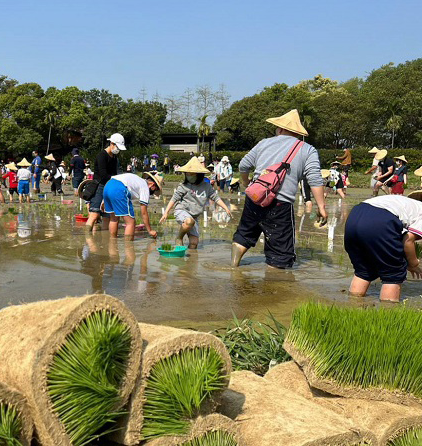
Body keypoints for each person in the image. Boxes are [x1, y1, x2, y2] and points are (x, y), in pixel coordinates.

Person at [232, 109, 327, 269]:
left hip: (254, 197)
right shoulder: (307, 149)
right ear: (296, 132)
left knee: (244, 234)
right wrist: (322, 206)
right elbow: (314, 179)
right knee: (280, 254)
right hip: (280, 204)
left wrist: (246, 182)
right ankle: (274, 287)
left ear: (280, 129)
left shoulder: (264, 143)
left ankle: (233, 267)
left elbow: (243, 165)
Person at [344, 191, 422, 302]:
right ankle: (388, 312)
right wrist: (413, 263)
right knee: (393, 273)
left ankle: (353, 305)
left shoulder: (407, 204)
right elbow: (408, 240)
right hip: (381, 220)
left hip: (355, 215)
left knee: (365, 269)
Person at [160, 158, 232, 249]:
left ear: (199, 175)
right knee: (189, 221)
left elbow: (216, 198)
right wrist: (166, 212)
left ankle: (190, 261)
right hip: (182, 210)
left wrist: (226, 208)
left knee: (194, 243)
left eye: (192, 174)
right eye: (187, 174)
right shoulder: (183, 186)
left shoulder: (206, 186)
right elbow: (174, 199)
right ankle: (179, 237)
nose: (189, 176)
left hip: (194, 216)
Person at [102, 171, 161, 239]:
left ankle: (112, 242)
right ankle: (129, 246)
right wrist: (150, 230)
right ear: (152, 185)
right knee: (130, 222)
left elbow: (114, 185)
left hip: (108, 186)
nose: (154, 192)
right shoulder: (145, 187)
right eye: (155, 189)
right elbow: (144, 212)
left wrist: (103, 201)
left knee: (114, 218)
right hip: (119, 189)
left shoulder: (137, 180)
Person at [86, 133, 124, 231]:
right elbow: (103, 175)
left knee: (107, 215)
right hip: (100, 186)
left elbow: (115, 172)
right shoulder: (101, 156)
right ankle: (87, 238)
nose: (118, 150)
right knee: (94, 214)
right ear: (112, 143)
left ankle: (105, 240)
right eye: (117, 147)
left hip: (110, 186)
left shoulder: (115, 158)